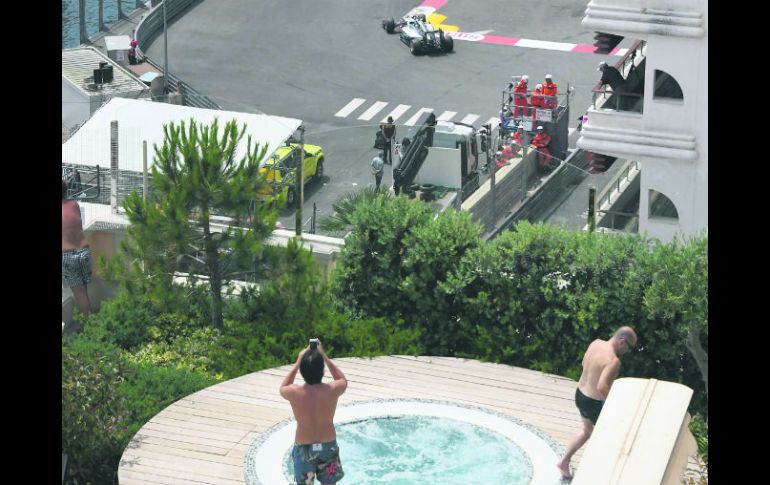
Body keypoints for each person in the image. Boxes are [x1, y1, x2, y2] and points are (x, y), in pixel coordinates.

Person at [556, 326, 638, 480]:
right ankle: (604, 476)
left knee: (587, 431)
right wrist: (615, 404)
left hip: (580, 394)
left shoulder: (595, 343)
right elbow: (602, 386)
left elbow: (583, 363)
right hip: (594, 403)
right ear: (621, 341)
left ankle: (563, 461)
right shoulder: (613, 361)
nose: (628, 351)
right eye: (630, 347)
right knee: (613, 436)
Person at [280, 339, 347, 485]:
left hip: (304, 447)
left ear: (302, 371)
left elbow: (283, 386)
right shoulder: (332, 390)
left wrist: (299, 361)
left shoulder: (293, 392)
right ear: (322, 370)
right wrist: (324, 356)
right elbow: (342, 379)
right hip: (328, 446)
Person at [62, 179, 92, 327]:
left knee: (79, 292)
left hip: (68, 256)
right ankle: (86, 319)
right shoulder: (74, 204)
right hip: (84, 251)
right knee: (83, 291)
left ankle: (89, 326)